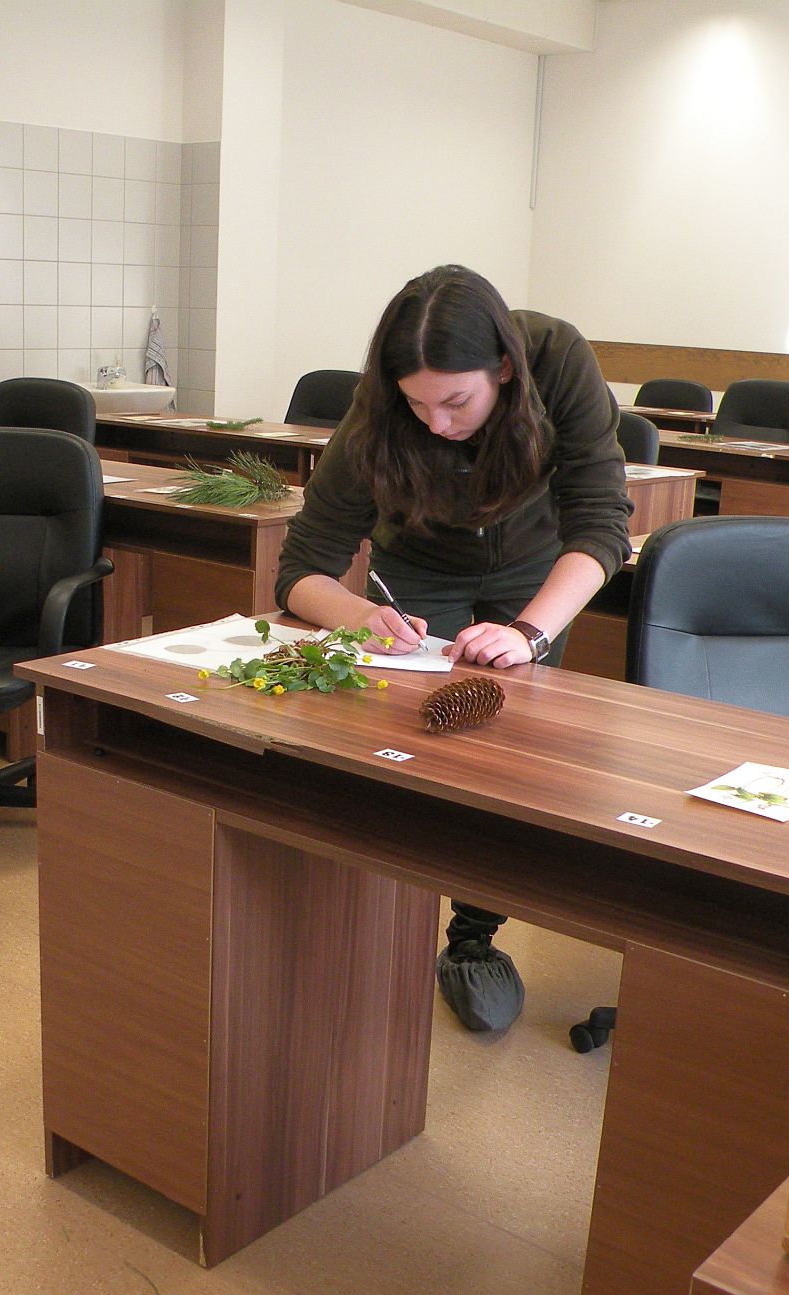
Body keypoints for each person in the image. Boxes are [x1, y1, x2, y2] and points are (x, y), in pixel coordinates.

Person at [275, 264, 633, 1032]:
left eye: (456, 402)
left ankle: (473, 937)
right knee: (404, 742)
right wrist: (358, 616)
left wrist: (529, 633)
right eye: (417, 404)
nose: (436, 424)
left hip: (535, 568)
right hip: (418, 567)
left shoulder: (557, 359)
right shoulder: (381, 408)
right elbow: (301, 569)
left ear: (502, 369)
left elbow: (603, 526)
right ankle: (380, 921)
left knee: (510, 757)